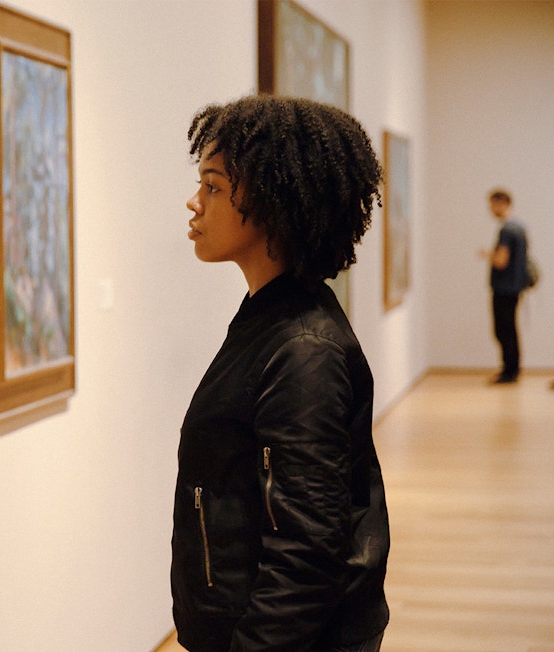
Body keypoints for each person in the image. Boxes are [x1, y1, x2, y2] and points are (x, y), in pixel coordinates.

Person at [171, 95, 390, 652]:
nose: (194, 203)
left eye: (213, 186)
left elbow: (308, 553)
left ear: (270, 201)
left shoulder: (302, 350)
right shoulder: (271, 319)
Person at [478, 189, 528, 384]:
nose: (490, 209)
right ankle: (512, 368)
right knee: (510, 329)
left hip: (504, 288)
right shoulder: (520, 227)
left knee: (504, 329)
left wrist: (487, 254)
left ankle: (510, 370)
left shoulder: (507, 230)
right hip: (515, 287)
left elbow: (501, 260)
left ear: (502, 203)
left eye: (492, 204)